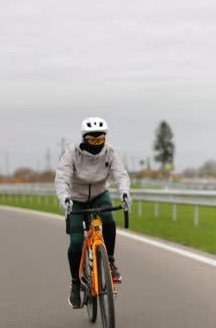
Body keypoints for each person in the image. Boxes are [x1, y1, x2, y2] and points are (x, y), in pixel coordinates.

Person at [55, 117, 131, 309]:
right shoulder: (71, 154)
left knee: (109, 220)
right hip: (76, 198)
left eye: (100, 140)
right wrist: (65, 199)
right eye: (92, 140)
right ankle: (75, 283)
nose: (97, 144)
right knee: (76, 242)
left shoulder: (110, 153)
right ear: (84, 138)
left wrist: (124, 193)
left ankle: (111, 262)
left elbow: (120, 174)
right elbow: (62, 177)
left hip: (99, 194)